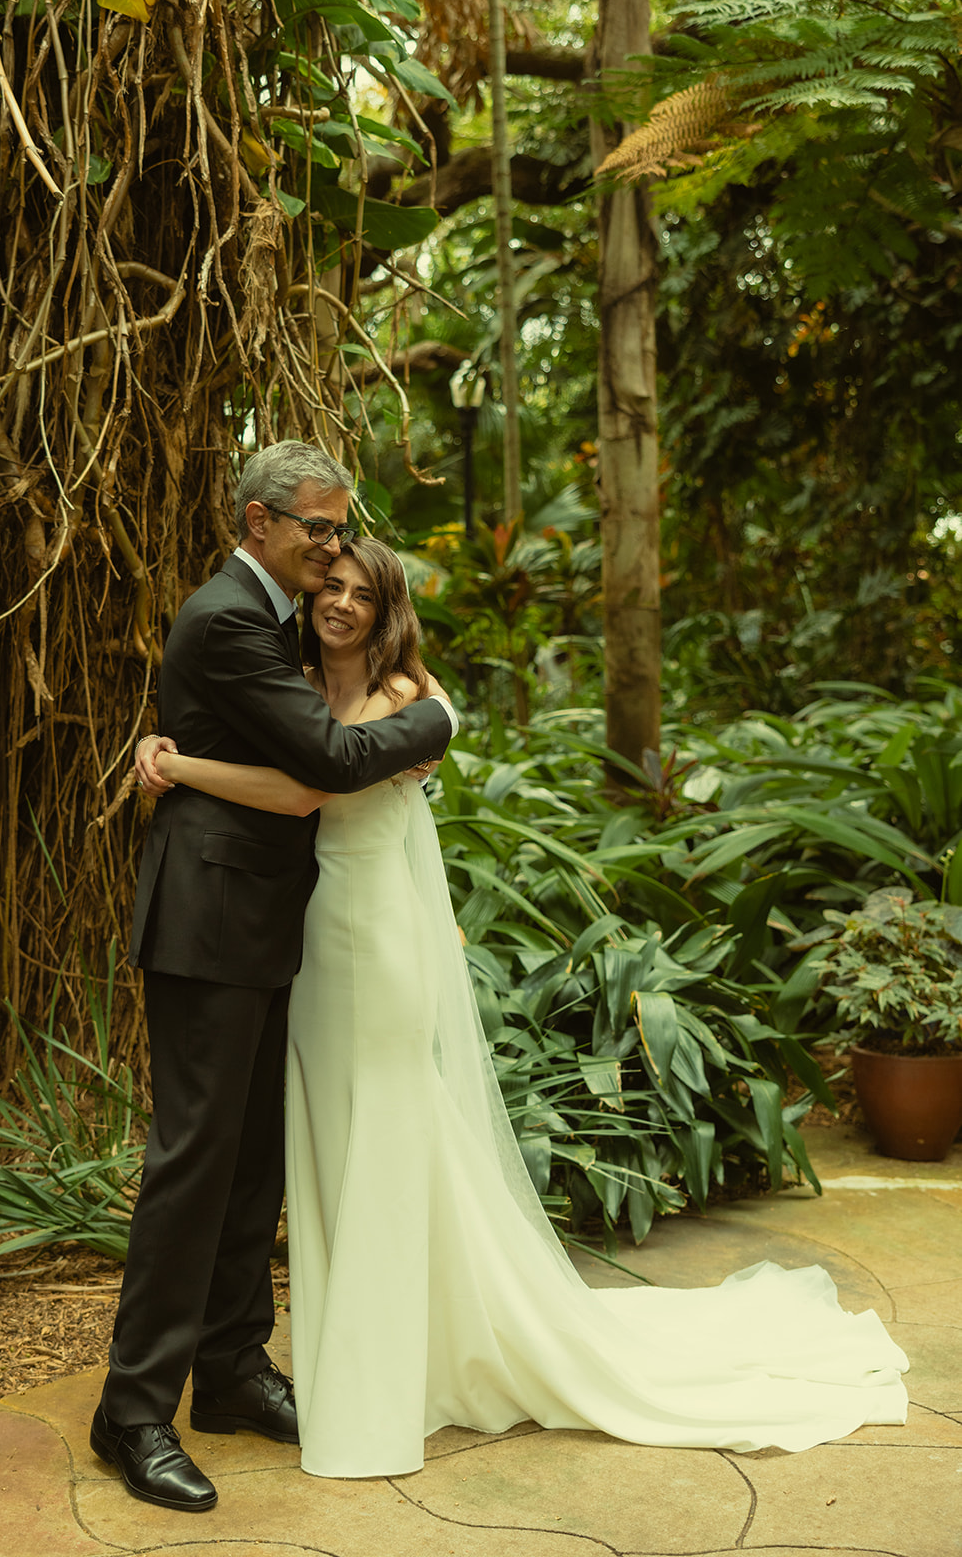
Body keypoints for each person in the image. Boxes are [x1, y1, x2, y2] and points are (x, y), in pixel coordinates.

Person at [139, 536, 910, 1482]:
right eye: (328, 585)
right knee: (324, 1145)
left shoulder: (406, 703)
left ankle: (387, 1376)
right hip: (300, 945)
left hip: (373, 941)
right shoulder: (295, 680)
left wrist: (176, 769)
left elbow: (311, 786)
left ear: (389, 614)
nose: (339, 601)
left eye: (361, 594)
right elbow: (287, 766)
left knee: (383, 1130)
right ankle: (303, 1358)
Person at [92, 447, 456, 1512]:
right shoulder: (227, 620)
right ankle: (133, 1410)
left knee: (253, 1159)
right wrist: (434, 721)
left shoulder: (278, 614)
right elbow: (328, 764)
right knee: (194, 1163)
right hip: (208, 921)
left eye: (342, 530)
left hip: (264, 923)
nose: (333, 546)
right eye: (317, 529)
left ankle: (231, 1369)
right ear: (259, 521)